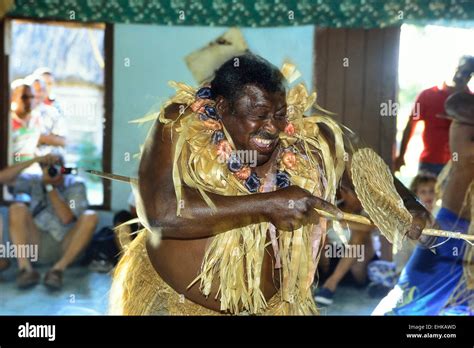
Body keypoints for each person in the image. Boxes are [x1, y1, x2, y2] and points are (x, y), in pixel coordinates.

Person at [109, 54, 430, 315]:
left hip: (273, 308)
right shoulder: (180, 122)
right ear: (222, 108)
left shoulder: (304, 139)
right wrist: (267, 205)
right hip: (177, 305)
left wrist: (408, 205)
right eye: (259, 114)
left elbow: (360, 168)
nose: (272, 127)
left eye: (278, 113)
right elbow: (162, 215)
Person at [374, 91, 474, 315]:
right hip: (452, 228)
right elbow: (455, 104)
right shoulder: (465, 110)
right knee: (407, 303)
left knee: (461, 306)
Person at [0, 154, 97, 290]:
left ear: (63, 168)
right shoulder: (35, 181)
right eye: (47, 166)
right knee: (17, 208)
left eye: (56, 165)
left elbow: (66, 218)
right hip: (37, 242)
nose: (52, 170)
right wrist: (35, 160)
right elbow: (2, 178)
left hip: (66, 244)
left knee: (90, 216)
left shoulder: (75, 184)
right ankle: (25, 270)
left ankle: (57, 270)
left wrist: (49, 187)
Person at [394, 56, 474, 176]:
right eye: (458, 69)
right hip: (429, 164)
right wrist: (401, 156)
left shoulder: (471, 102)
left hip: (459, 167)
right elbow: (411, 124)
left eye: (466, 73)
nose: (460, 75)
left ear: (470, 76)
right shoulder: (427, 95)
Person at [314, 181, 377, 306]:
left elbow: (371, 227)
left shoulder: (368, 212)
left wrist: (341, 223)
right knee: (318, 233)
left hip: (357, 265)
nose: (360, 198)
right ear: (344, 192)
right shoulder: (332, 208)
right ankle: (317, 281)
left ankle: (331, 285)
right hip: (331, 259)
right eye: (356, 194)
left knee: (360, 236)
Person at [26, 74, 66, 157]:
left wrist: (38, 138)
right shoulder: (19, 113)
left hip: (49, 162)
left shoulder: (53, 112)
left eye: (42, 90)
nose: (38, 94)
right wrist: (49, 138)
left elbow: (64, 141)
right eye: (35, 90)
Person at [9, 79, 41, 164]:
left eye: (32, 97)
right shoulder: (7, 121)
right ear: (13, 97)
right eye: (24, 97)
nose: (29, 101)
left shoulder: (36, 119)